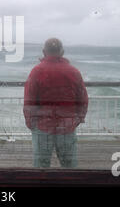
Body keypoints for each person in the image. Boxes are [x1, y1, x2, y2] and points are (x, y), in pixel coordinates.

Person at [23, 38, 88, 168]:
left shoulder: (37, 71)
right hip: (67, 125)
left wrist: (30, 122)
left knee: (41, 166)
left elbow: (29, 99)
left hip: (42, 126)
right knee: (69, 166)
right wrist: (79, 118)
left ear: (44, 52)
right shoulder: (73, 71)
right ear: (62, 52)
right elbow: (83, 99)